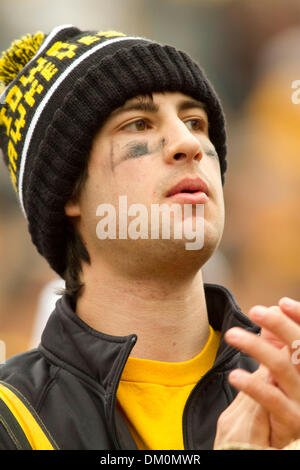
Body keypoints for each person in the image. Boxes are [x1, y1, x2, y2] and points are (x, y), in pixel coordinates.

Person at [0, 25, 299, 451]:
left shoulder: (288, 382)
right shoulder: (12, 420)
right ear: (67, 192)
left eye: (196, 121)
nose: (188, 142)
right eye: (138, 124)